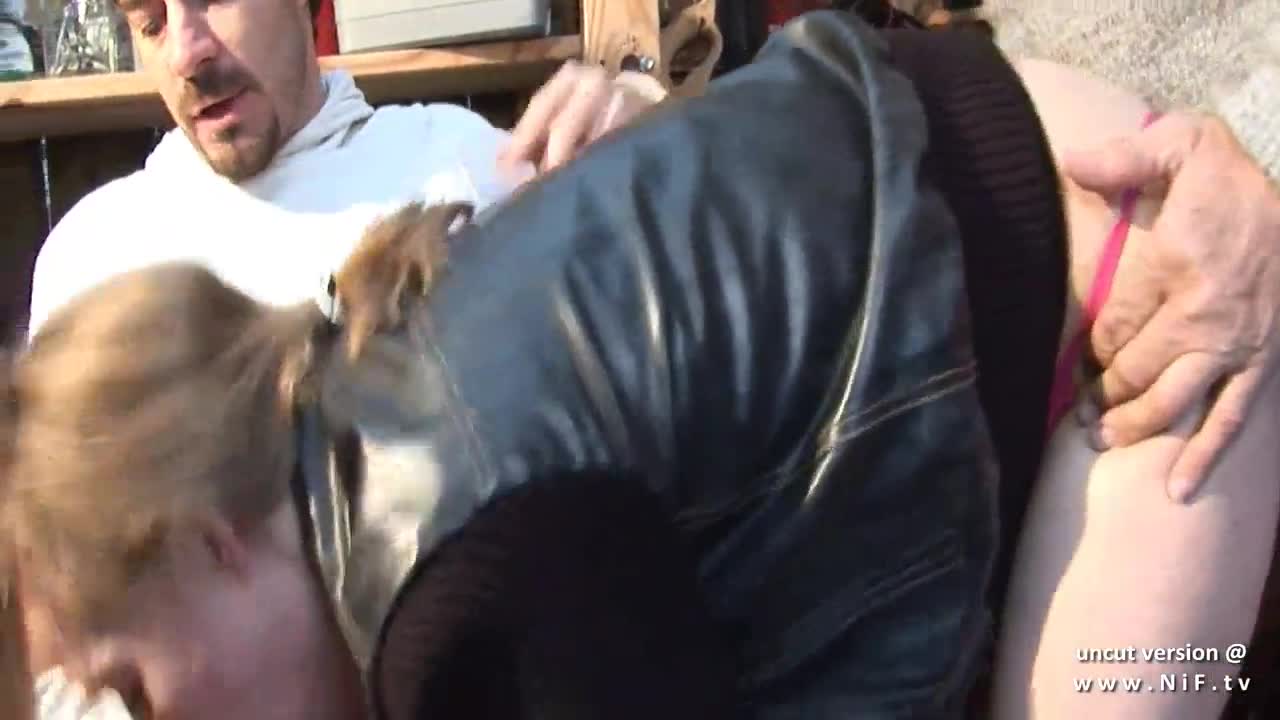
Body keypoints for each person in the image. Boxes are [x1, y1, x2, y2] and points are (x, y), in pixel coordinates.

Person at [5, 10, 1277, 720]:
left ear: (208, 545)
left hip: (1133, 324)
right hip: (1018, 195)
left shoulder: (455, 578)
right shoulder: (365, 431)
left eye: (137, 693)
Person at [24, 0, 667, 336]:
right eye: (151, 23)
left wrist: (657, 143)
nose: (185, 54)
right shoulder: (92, 255)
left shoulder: (466, 167)